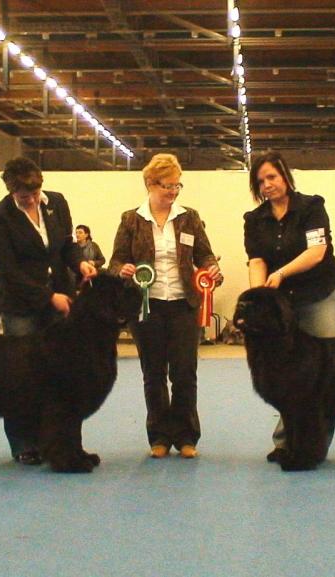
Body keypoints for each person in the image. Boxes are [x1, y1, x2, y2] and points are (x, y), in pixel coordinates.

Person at [109, 153, 222, 459]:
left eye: (177, 186)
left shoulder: (190, 217)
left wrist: (212, 270)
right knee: (153, 373)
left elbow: (205, 255)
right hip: (147, 306)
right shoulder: (131, 220)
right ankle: (159, 436)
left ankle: (187, 436)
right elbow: (116, 260)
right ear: (150, 184)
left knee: (185, 372)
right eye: (167, 186)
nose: (173, 192)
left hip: (183, 304)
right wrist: (123, 270)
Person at [0, 156, 97, 465]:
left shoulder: (57, 203)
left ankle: (61, 443)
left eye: (35, 194)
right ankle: (24, 444)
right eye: (24, 197)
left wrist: (80, 262)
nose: (32, 200)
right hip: (21, 307)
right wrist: (49, 297)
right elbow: (8, 270)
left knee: (62, 379)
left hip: (60, 301)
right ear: (11, 191)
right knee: (22, 378)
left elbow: (65, 246)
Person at [243, 150, 335, 463]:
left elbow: (316, 252)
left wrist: (281, 273)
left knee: (321, 373)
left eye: (272, 177)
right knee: (287, 375)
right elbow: (256, 261)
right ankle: (286, 441)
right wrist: (259, 295)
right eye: (260, 181)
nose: (267, 185)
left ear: (285, 175)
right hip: (282, 303)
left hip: (319, 293)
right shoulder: (254, 220)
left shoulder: (312, 207)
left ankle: (314, 445)